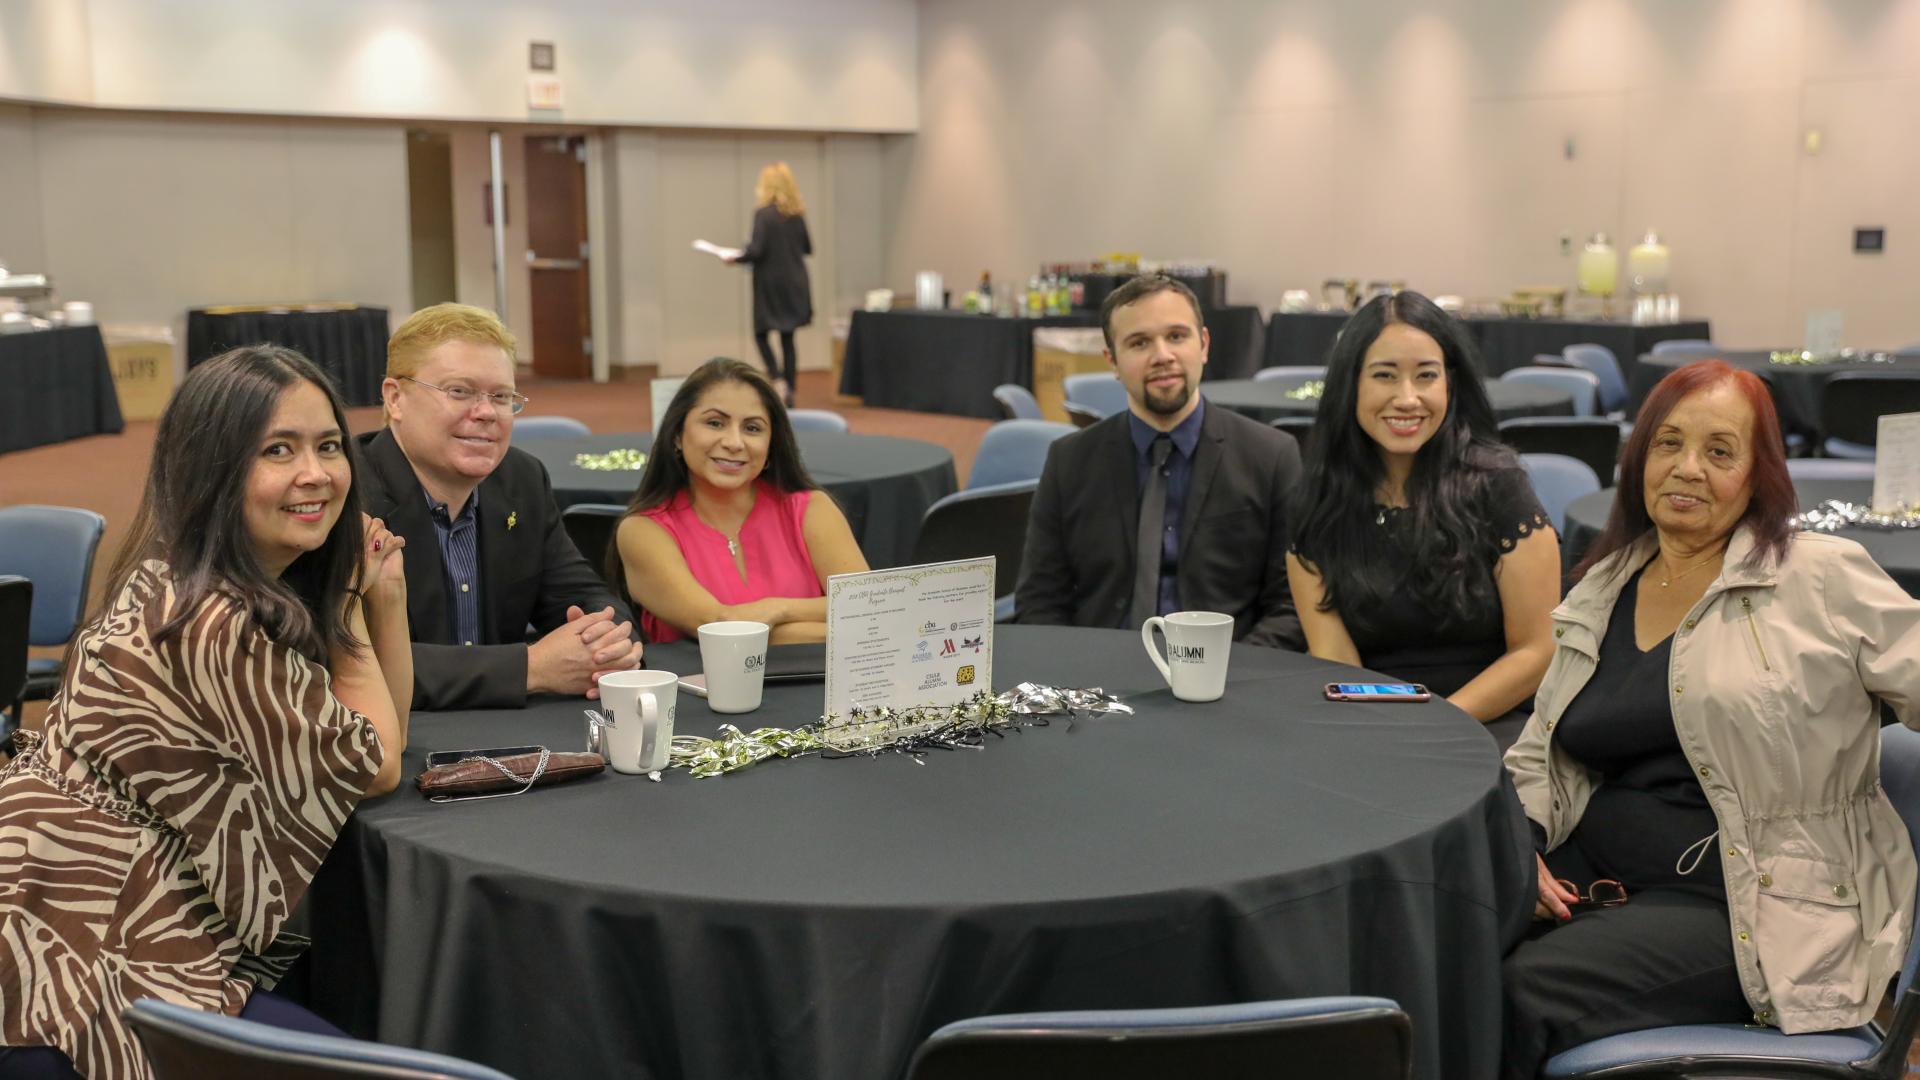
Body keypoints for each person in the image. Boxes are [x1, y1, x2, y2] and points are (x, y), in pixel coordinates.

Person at [0, 347, 410, 1080]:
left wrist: (388, 597)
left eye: (328, 446)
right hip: (82, 971)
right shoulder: (211, 624)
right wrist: (355, 605)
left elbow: (366, 741)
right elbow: (376, 763)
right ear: (211, 472)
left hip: (42, 908)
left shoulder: (174, 577)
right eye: (277, 451)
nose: (315, 473)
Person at [1501, 360, 1920, 1076]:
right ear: (1639, 460)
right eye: (1668, 444)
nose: (1688, 469)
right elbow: (1542, 750)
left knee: (1512, 993)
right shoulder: (1607, 581)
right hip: (1589, 872)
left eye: (1720, 452)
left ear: (1761, 474)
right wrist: (1520, 846)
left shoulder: (1819, 577)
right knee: (1435, 939)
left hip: (1755, 906)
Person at [1286, 291, 1558, 745]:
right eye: (1385, 376)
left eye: (1426, 376)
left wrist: (1440, 722)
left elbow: (1537, 650)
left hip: (1491, 719)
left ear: (1450, 384)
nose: (1407, 398)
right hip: (1369, 720)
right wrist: (1381, 731)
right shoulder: (1319, 501)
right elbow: (1335, 658)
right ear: (1351, 385)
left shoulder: (1499, 487)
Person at [359, 303, 641, 709]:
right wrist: (532, 667)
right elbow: (350, 662)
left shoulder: (521, 480)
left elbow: (587, 597)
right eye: (459, 391)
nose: (487, 412)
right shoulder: (349, 496)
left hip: (513, 738)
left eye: (502, 396)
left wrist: (609, 644)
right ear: (396, 398)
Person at [1016, 274, 1305, 649]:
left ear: (1203, 345)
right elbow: (1040, 599)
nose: (1162, 356)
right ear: (1113, 361)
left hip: (1227, 677)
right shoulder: (1069, 461)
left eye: (1176, 336)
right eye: (1139, 343)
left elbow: (1291, 606)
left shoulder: (1271, 457)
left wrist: (1225, 672)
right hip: (1099, 678)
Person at [611, 357, 867, 644]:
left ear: (771, 447)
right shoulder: (643, 530)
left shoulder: (810, 508)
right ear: (677, 436)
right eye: (715, 423)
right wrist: (846, 632)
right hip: (703, 688)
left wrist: (777, 609)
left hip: (816, 688)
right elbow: (720, 629)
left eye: (753, 428)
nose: (734, 442)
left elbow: (867, 606)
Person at [726, 162, 812, 405]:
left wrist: (736, 257)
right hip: (795, 282)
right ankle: (791, 389)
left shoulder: (763, 214)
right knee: (788, 337)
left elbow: (756, 250)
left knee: (760, 332)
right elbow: (808, 247)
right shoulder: (797, 215)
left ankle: (777, 378)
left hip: (770, 284)